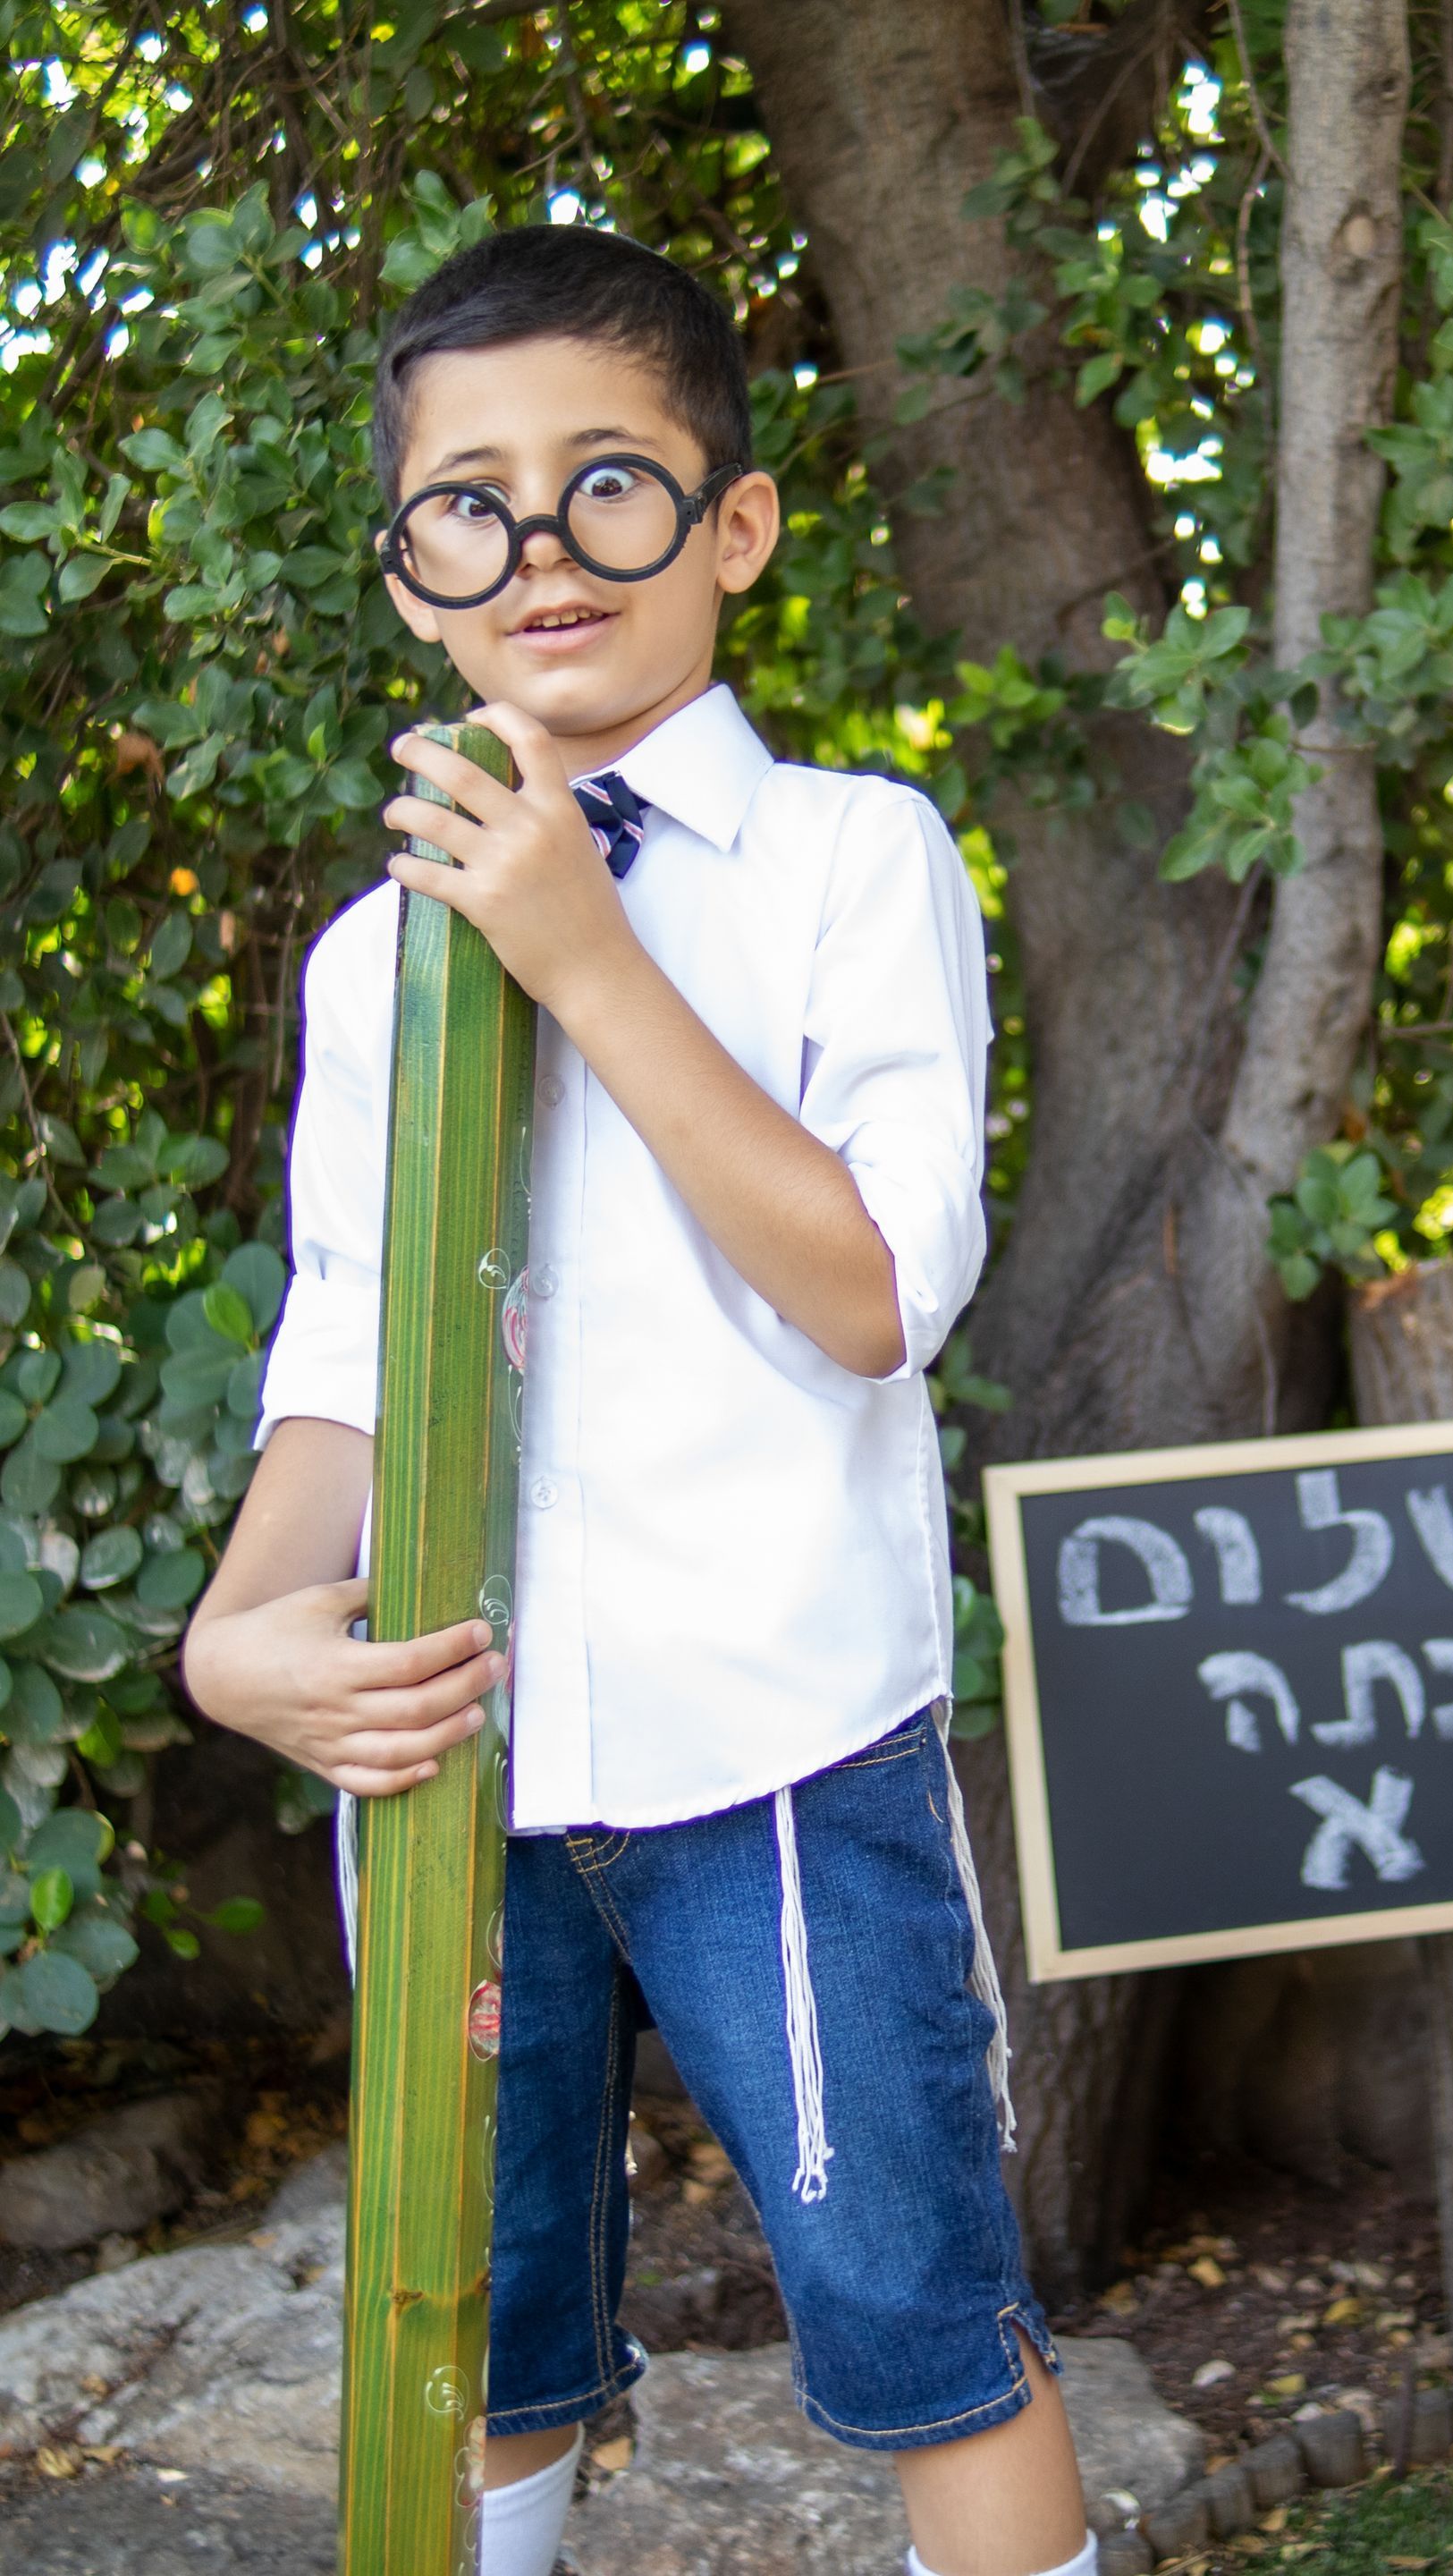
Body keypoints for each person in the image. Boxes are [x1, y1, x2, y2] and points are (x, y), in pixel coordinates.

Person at [182, 222, 1094, 2576]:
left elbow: (873, 1293)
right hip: (458, 1760)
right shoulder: (376, 961)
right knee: (474, 2337)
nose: (540, 549)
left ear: (734, 520)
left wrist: (585, 957)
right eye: (467, 504)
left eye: (606, 481)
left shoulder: (847, 861)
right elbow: (352, 1337)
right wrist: (242, 1627)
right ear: (411, 573)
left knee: (921, 2318)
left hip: (784, 1745)